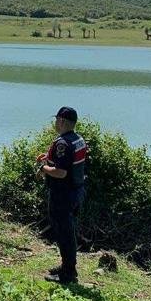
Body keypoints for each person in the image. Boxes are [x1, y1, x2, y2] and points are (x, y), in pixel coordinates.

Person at [36, 106, 87, 285]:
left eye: (57, 119)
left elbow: (61, 172)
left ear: (62, 121)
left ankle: (68, 274)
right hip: (76, 191)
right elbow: (70, 162)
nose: (55, 123)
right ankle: (67, 266)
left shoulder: (63, 143)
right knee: (68, 231)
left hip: (63, 194)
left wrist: (43, 168)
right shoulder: (77, 139)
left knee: (64, 233)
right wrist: (49, 158)